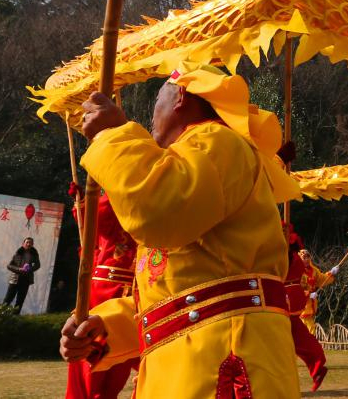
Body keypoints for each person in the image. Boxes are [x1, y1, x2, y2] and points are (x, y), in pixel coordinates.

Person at [58, 69, 300, 398]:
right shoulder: (192, 163)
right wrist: (102, 328)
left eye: (157, 100)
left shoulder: (217, 140)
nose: (151, 116)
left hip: (219, 357)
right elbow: (174, 298)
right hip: (187, 360)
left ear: (180, 97)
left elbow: (157, 210)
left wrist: (112, 135)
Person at [66, 191, 139, 399]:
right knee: (94, 362)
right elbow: (91, 223)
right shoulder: (117, 195)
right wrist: (86, 196)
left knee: (127, 365)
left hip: (135, 288)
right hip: (106, 289)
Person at [281, 224, 329, 392]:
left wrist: (331, 274)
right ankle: (316, 364)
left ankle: (315, 365)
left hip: (287, 299)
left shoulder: (286, 258)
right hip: (297, 300)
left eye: (308, 256)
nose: (306, 257)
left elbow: (320, 279)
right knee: (298, 336)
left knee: (287, 339)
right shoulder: (294, 260)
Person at [4, 236, 42, 313]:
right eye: (27, 242)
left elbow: (38, 265)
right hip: (15, 279)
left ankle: (15, 316)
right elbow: (9, 265)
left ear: (32, 245)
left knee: (20, 300)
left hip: (26, 279)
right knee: (8, 299)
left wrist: (30, 269)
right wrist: (19, 269)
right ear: (23, 244)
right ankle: (1, 314)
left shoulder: (34, 254)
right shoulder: (18, 253)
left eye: (30, 243)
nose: (28, 244)